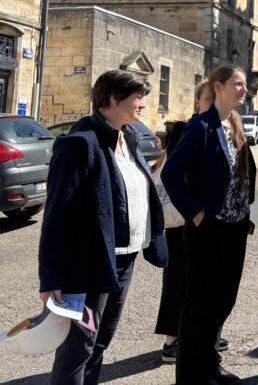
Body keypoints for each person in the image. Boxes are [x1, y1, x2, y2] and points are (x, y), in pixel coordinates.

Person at [38, 69, 168, 385]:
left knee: (99, 344)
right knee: (77, 349)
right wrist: (51, 277)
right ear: (114, 99)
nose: (143, 106)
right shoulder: (79, 144)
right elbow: (57, 215)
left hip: (125, 259)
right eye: (138, 98)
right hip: (90, 263)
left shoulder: (130, 138)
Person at [162, 64, 256, 385]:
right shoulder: (201, 126)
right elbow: (171, 174)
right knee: (199, 303)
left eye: (245, 85)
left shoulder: (235, 125)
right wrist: (195, 213)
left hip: (235, 228)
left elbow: (242, 175)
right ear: (218, 87)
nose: (244, 89)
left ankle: (209, 364)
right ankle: (190, 375)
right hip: (208, 229)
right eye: (238, 84)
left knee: (223, 299)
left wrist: (245, 212)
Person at [153, 82, 231, 363]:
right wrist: (195, 212)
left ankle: (206, 334)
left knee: (207, 280)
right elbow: (176, 173)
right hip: (185, 219)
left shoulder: (224, 127)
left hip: (208, 220)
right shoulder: (192, 128)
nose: (214, 103)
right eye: (209, 99)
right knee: (178, 280)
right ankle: (172, 342)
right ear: (198, 101)